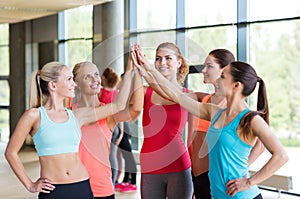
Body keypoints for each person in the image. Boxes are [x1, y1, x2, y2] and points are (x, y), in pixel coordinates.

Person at [133, 49, 289, 198]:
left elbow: (281, 156)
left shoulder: (250, 120)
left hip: (242, 196)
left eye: (223, 76)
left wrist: (249, 182)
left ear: (236, 86)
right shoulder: (215, 112)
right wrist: (147, 67)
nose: (218, 80)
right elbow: (175, 95)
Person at [4, 60, 133, 199]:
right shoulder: (34, 116)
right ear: (53, 85)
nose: (74, 84)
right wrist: (30, 185)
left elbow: (119, 105)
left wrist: (130, 68)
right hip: (53, 190)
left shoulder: (77, 115)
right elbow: (11, 152)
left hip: (82, 186)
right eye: (69, 79)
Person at [72, 57, 143, 198]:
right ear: (77, 83)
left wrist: (135, 72)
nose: (95, 80)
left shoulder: (108, 113)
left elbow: (135, 108)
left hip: (102, 188)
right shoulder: (70, 113)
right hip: (75, 186)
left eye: (96, 74)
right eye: (87, 77)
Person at [132, 42, 193, 199]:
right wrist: (137, 68)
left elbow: (192, 139)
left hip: (179, 166)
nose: (162, 63)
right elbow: (132, 110)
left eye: (168, 58)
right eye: (158, 59)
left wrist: (197, 175)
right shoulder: (145, 91)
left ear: (179, 62)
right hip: (150, 166)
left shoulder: (189, 95)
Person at [98, 67, 123, 185]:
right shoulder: (117, 94)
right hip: (116, 128)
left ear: (103, 78)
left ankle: (103, 182)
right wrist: (121, 132)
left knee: (101, 156)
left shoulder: (100, 93)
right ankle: (111, 184)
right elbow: (120, 114)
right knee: (112, 155)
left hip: (102, 127)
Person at [114, 121, 138, 192]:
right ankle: (125, 181)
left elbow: (121, 119)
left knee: (129, 159)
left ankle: (133, 184)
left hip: (124, 132)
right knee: (127, 159)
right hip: (124, 131)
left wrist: (120, 135)